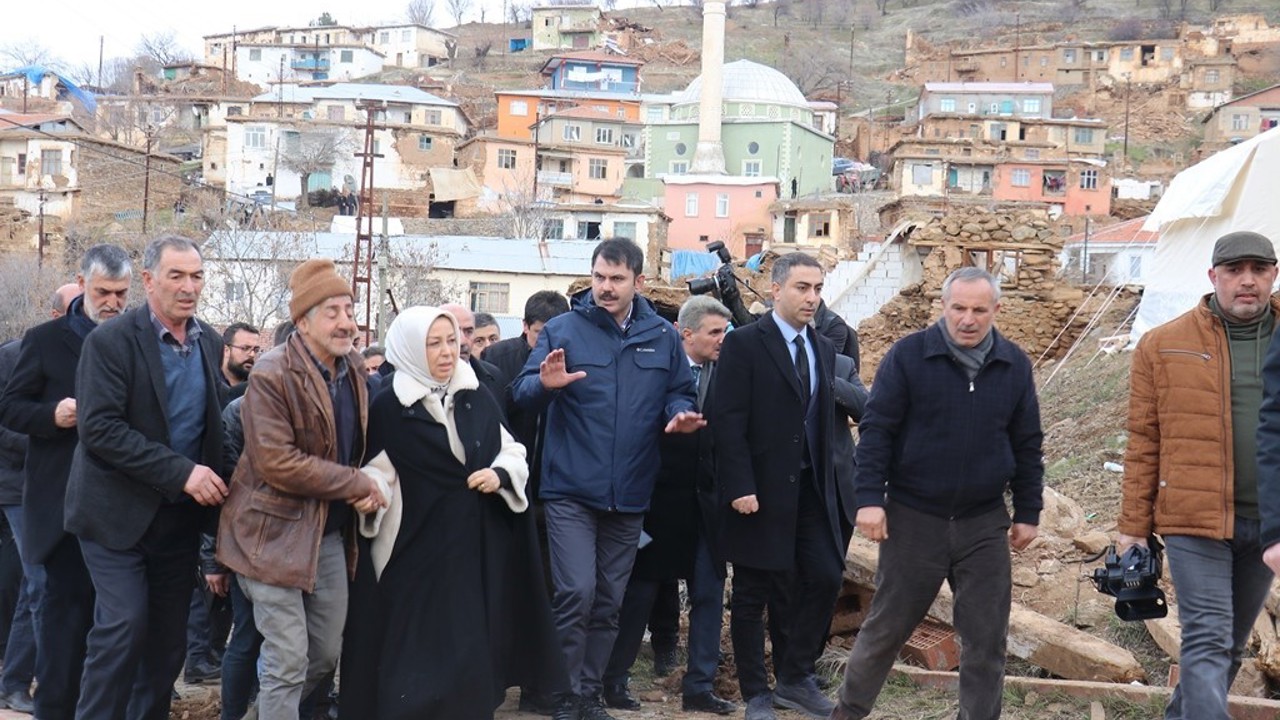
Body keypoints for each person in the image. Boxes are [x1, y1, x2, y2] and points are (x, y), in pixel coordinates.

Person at [829, 267, 1043, 720]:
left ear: (995, 311)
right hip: (912, 518)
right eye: (959, 308)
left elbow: (1027, 442)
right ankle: (848, 712)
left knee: (986, 639)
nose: (968, 319)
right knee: (887, 628)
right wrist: (869, 499)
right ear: (943, 307)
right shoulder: (908, 357)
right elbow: (877, 431)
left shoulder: (1014, 365)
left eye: (979, 310)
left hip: (983, 522)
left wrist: (1028, 510)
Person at [339, 306, 566, 718]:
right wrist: (370, 492)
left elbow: (511, 448)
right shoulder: (390, 405)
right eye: (433, 343)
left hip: (470, 550)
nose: (447, 353)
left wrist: (500, 474)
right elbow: (374, 468)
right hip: (411, 551)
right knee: (413, 656)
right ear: (409, 348)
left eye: (450, 342)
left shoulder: (475, 392)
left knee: (468, 655)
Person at [511, 238, 703, 720]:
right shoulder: (562, 330)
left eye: (616, 279)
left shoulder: (661, 335)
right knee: (576, 592)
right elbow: (521, 393)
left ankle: (588, 694)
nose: (606, 287)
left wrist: (680, 414)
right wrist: (545, 385)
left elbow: (679, 391)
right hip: (570, 489)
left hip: (632, 490)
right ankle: (561, 692)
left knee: (609, 601)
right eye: (599, 277)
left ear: (637, 281)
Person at [66, 236, 228, 720]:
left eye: (196, 276)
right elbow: (101, 430)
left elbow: (212, 431)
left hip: (176, 523)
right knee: (123, 626)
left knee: (166, 645)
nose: (188, 287)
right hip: (114, 515)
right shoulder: (111, 341)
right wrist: (183, 473)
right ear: (149, 280)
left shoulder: (210, 342)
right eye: (176, 276)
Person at [216, 258, 384, 720]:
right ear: (303, 320)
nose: (346, 322)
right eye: (332, 311)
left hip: (327, 534)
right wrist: (354, 482)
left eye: (349, 309)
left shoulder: (353, 368)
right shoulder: (271, 373)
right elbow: (277, 463)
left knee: (323, 656)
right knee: (288, 660)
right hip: (267, 535)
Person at [1144, 231, 1277, 720]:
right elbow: (1144, 442)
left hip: (1267, 521)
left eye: (1259, 270)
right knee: (1207, 638)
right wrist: (1131, 528)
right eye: (1235, 271)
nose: (1247, 281)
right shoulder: (1164, 344)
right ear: (1212, 276)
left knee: (1231, 647)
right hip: (1193, 519)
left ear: (1274, 275)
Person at [711, 253, 846, 720]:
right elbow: (726, 422)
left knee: (827, 575)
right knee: (752, 594)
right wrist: (739, 485)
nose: (812, 298)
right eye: (802, 288)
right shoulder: (746, 344)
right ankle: (757, 694)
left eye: (817, 289)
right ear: (776, 290)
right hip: (758, 493)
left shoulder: (823, 348)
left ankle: (794, 676)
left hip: (811, 491)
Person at [0, 245, 131, 720]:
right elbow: (9, 407)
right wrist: (51, 416)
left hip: (120, 509)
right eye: (103, 292)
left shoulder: (136, 340)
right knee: (62, 620)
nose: (113, 302)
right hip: (60, 506)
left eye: (121, 293)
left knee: (114, 625)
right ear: (81, 284)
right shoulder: (45, 340)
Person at [603, 295, 736, 716]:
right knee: (639, 595)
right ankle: (614, 679)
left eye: (725, 332)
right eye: (715, 332)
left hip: (707, 507)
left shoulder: (728, 374)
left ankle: (699, 685)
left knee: (709, 595)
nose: (722, 340)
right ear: (686, 333)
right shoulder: (655, 373)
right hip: (657, 504)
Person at [484, 289, 570, 714]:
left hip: (555, 497)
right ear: (525, 328)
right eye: (541, 334)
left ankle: (540, 688)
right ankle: (496, 682)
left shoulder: (572, 359)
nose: (549, 343)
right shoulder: (499, 362)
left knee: (549, 594)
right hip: (506, 496)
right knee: (504, 592)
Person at [0, 338, 35, 713]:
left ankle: (16, 680)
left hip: (58, 486)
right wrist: (45, 441)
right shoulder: (10, 357)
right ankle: (15, 681)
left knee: (41, 582)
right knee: (38, 580)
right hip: (17, 488)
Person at [441, 303, 508, 408]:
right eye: (454, 332)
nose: (462, 341)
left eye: (469, 331)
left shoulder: (494, 377)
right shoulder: (422, 383)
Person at [221, 322, 261, 401]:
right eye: (245, 348)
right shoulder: (209, 382)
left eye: (256, 350)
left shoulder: (259, 387)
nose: (252, 354)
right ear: (226, 350)